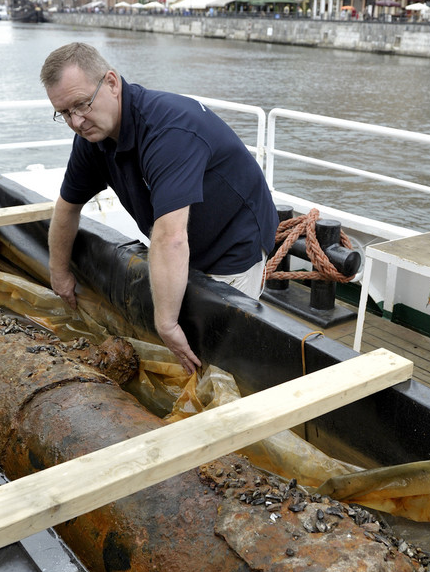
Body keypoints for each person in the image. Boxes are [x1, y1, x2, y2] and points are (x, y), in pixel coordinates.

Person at [40, 42, 278, 373]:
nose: (77, 121)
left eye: (81, 105)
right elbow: (67, 208)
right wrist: (59, 271)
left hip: (233, 244)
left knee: (216, 361)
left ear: (111, 82)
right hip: (182, 243)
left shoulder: (169, 130)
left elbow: (171, 237)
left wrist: (166, 324)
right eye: (64, 113)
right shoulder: (92, 139)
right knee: (178, 332)